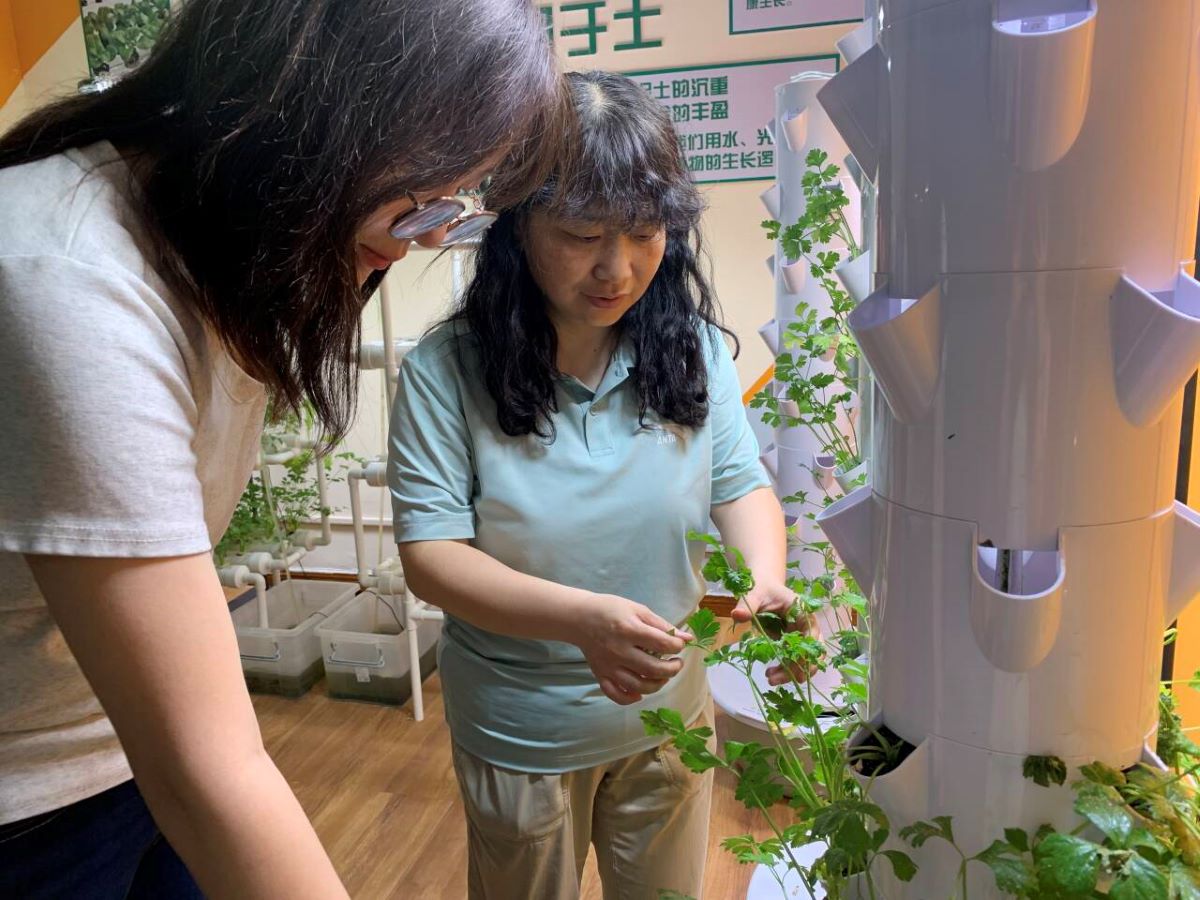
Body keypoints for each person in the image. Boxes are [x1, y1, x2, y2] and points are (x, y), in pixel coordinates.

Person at [0, 1, 563, 897]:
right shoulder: (69, 281)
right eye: (426, 197)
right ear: (302, 109)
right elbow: (208, 770)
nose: (430, 236)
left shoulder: (212, 245)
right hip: (28, 796)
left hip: (117, 744)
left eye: (460, 204)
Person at [389, 70, 798, 900]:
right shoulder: (445, 370)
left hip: (671, 720)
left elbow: (739, 485)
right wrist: (582, 622)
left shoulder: (691, 350)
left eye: (645, 233)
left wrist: (765, 578)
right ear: (516, 226)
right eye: (582, 235)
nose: (618, 268)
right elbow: (433, 556)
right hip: (524, 733)